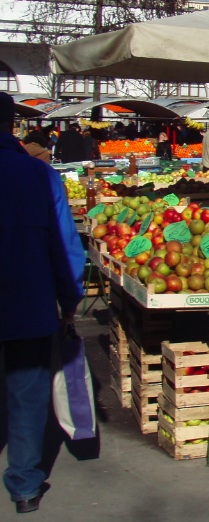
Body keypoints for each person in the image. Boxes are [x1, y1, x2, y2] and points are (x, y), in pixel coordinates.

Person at [0, 92, 86, 514]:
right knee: (27, 392)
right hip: (27, 301)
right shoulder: (38, 175)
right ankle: (25, 485)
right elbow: (65, 244)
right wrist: (70, 297)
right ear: (11, 126)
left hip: (26, 299)